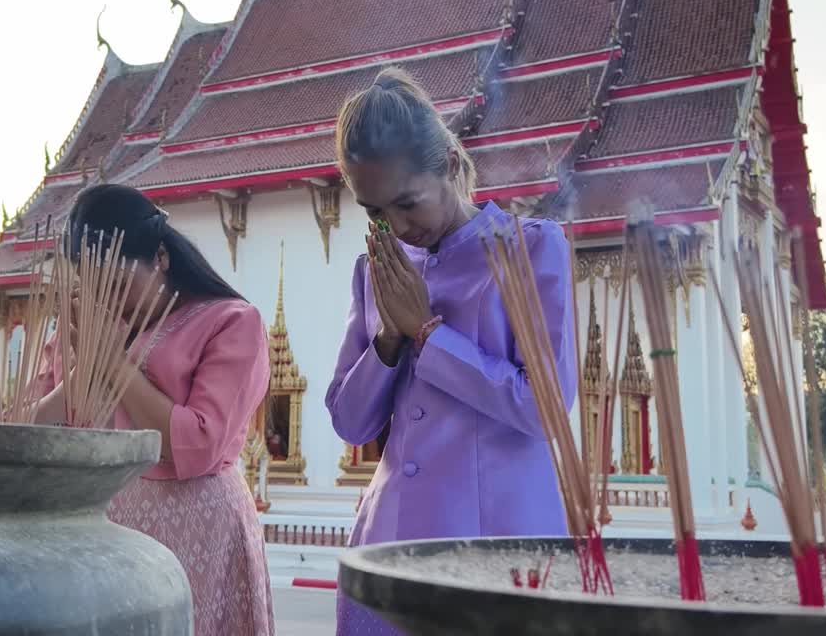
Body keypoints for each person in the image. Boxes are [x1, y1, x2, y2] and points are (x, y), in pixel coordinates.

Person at [326, 67, 577, 634]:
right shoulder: (375, 272)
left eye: (407, 203)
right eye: (375, 212)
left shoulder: (529, 250)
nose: (396, 225)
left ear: (446, 165)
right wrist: (389, 339)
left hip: (496, 547)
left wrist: (429, 335)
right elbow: (350, 422)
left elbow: (545, 409)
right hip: (386, 547)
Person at [29, 184, 275, 636]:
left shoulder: (230, 322)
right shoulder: (83, 326)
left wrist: (113, 364)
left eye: (121, 284)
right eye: (95, 285)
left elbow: (197, 445)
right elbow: (33, 431)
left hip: (198, 526)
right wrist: (87, 366)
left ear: (160, 257)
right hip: (99, 527)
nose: (113, 300)